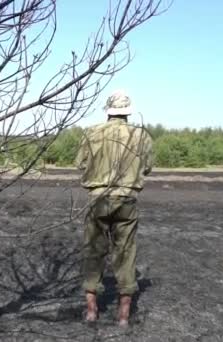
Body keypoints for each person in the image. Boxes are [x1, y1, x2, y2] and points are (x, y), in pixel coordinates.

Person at [75, 89, 153, 327]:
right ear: (128, 111)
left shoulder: (92, 133)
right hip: (127, 200)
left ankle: (91, 311)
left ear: (108, 110)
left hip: (98, 199)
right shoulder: (143, 136)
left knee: (93, 251)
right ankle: (123, 315)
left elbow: (80, 163)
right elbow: (147, 167)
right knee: (126, 253)